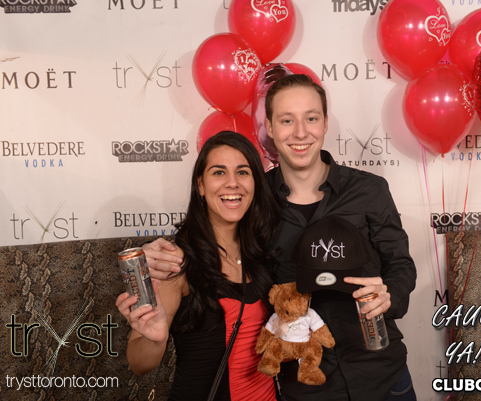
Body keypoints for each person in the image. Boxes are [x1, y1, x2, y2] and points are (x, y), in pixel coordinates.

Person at [146, 75, 418, 401]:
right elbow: (210, 233)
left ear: (325, 123)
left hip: (382, 377)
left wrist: (390, 295)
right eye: (287, 120)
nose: (300, 132)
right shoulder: (253, 200)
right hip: (304, 387)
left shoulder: (369, 190)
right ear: (270, 128)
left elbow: (401, 265)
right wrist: (157, 252)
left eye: (311, 118)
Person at [116, 131, 280, 401]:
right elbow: (138, 363)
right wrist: (156, 340)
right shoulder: (175, 262)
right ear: (200, 185)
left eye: (243, 172)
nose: (232, 183)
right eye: (219, 172)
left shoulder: (265, 251)